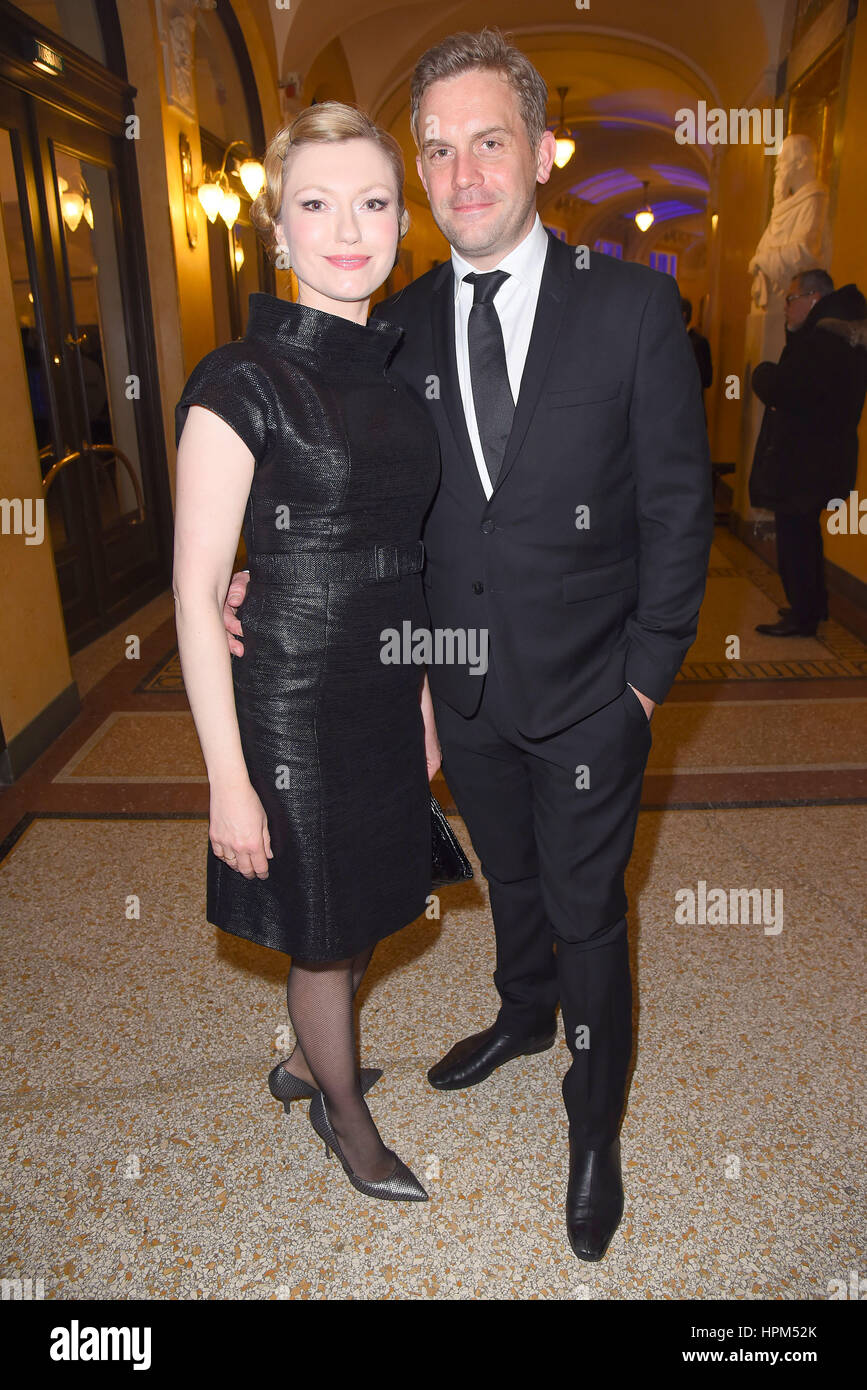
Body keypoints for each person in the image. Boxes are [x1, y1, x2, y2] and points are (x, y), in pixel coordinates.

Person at [224, 29, 713, 1260]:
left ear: (542, 152)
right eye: (435, 150)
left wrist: (647, 685)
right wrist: (257, 570)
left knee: (590, 907)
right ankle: (521, 1014)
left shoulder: (634, 307)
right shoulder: (392, 328)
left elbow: (676, 508)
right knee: (508, 879)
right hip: (460, 689)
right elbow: (364, 496)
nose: (463, 173)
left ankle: (593, 1120)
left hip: (599, 690)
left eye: (488, 140)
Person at [174, 103, 443, 1202]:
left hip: (383, 684)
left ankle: (301, 1057)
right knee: (323, 930)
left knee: (375, 891)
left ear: (398, 219)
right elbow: (196, 591)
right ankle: (344, 1115)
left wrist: (421, 694)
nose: (348, 229)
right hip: (289, 693)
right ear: (277, 230)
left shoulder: (395, 372)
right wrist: (227, 782)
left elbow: (409, 550)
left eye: (373, 202)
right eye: (317, 204)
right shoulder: (240, 379)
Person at [750, 267, 867, 636]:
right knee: (804, 535)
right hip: (824, 456)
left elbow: (792, 389)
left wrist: (762, 375)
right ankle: (810, 607)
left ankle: (804, 615)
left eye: (790, 299)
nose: (786, 308)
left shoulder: (823, 340)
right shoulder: (839, 334)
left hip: (806, 460)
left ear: (813, 298)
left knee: (796, 537)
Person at [681, 296, 713, 398]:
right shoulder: (667, 340)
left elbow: (706, 379)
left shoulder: (698, 343)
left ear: (684, 315)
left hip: (689, 404)